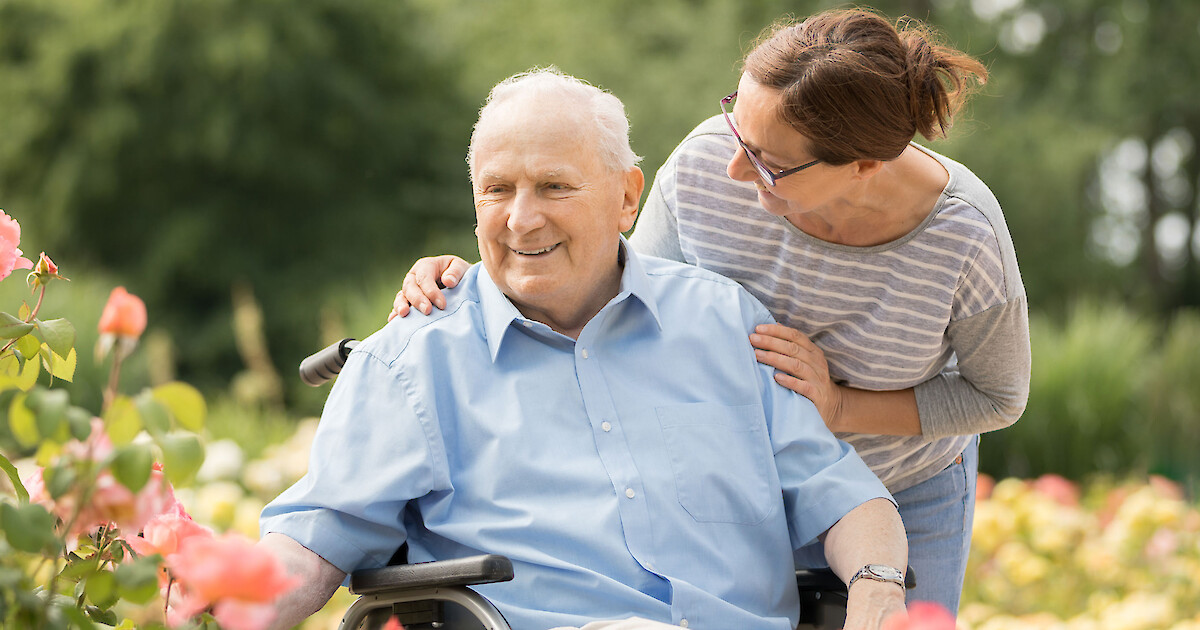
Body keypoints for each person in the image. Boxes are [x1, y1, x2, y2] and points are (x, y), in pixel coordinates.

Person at [389, 9, 1030, 615]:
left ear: (862, 165)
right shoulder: (705, 170)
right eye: (736, 130)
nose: (732, 167)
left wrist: (840, 407)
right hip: (733, 486)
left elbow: (997, 396)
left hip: (902, 487)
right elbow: (607, 298)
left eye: (767, 163)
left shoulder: (965, 241)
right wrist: (473, 283)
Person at [260, 68, 909, 630]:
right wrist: (215, 598)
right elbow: (311, 543)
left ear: (627, 197)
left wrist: (877, 586)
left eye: (553, 187)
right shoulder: (411, 360)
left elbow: (844, 494)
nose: (521, 218)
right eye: (496, 190)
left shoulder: (724, 323)